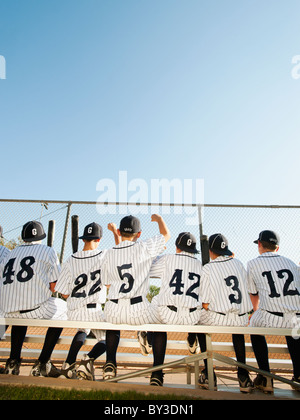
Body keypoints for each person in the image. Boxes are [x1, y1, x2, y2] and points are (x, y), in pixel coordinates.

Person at [100, 214, 170, 380]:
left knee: (112, 324)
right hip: (138, 310)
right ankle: (157, 373)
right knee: (160, 322)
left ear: (119, 231)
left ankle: (110, 364)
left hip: (113, 308)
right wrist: (159, 220)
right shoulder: (143, 248)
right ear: (139, 234)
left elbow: (107, 283)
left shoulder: (109, 253)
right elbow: (166, 235)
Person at [0, 220, 67, 377]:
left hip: (7, 311)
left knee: (20, 310)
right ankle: (43, 362)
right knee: (63, 309)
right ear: (41, 237)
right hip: (33, 309)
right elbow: (54, 287)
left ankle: (13, 361)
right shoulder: (47, 251)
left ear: (23, 238)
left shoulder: (11, 252)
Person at [55, 222, 119, 380]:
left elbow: (63, 293)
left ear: (83, 239)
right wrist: (115, 233)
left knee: (82, 330)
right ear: (99, 239)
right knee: (106, 339)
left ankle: (69, 365)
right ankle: (87, 360)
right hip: (94, 310)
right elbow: (120, 254)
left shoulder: (70, 259)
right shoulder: (103, 255)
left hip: (74, 310)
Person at [138, 232, 202, 386]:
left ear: (177, 247)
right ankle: (193, 339)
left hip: (168, 314)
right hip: (192, 318)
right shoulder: (200, 264)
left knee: (156, 303)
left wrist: (157, 253)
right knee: (201, 305)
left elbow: (147, 269)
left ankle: (156, 372)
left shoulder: (168, 259)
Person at [197, 233, 254, 393]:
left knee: (199, 322)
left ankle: (209, 374)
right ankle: (243, 376)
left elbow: (205, 302)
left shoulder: (208, 267)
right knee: (237, 331)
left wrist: (210, 308)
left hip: (218, 318)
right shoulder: (238, 263)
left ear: (210, 250)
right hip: (241, 319)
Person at [247, 230, 300, 393]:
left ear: (260, 245)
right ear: (277, 248)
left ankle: (265, 376)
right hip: (297, 317)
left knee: (254, 326)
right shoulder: (291, 263)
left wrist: (255, 312)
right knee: (293, 327)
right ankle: (298, 375)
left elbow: (253, 294)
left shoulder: (252, 263)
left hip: (272, 316)